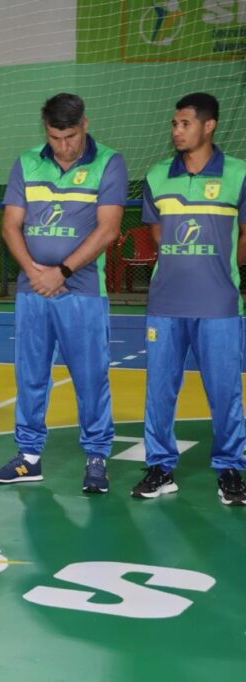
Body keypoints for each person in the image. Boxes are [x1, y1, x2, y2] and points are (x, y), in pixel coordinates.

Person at [0, 94, 127, 494]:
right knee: (30, 375)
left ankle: (97, 457)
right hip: (33, 292)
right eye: (55, 137)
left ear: (85, 123)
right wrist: (34, 272)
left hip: (82, 292)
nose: (63, 146)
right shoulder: (28, 162)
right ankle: (28, 458)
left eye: (70, 136)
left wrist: (62, 271)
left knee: (90, 377)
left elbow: (108, 229)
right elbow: (11, 224)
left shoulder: (109, 162)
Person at [134, 92, 246, 505]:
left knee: (225, 391)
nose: (176, 131)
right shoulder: (158, 174)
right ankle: (161, 467)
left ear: (209, 125)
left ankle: (231, 469)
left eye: (184, 123)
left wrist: (219, 263)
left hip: (219, 304)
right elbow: (157, 231)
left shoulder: (239, 174)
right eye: (174, 124)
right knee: (159, 390)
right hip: (165, 304)